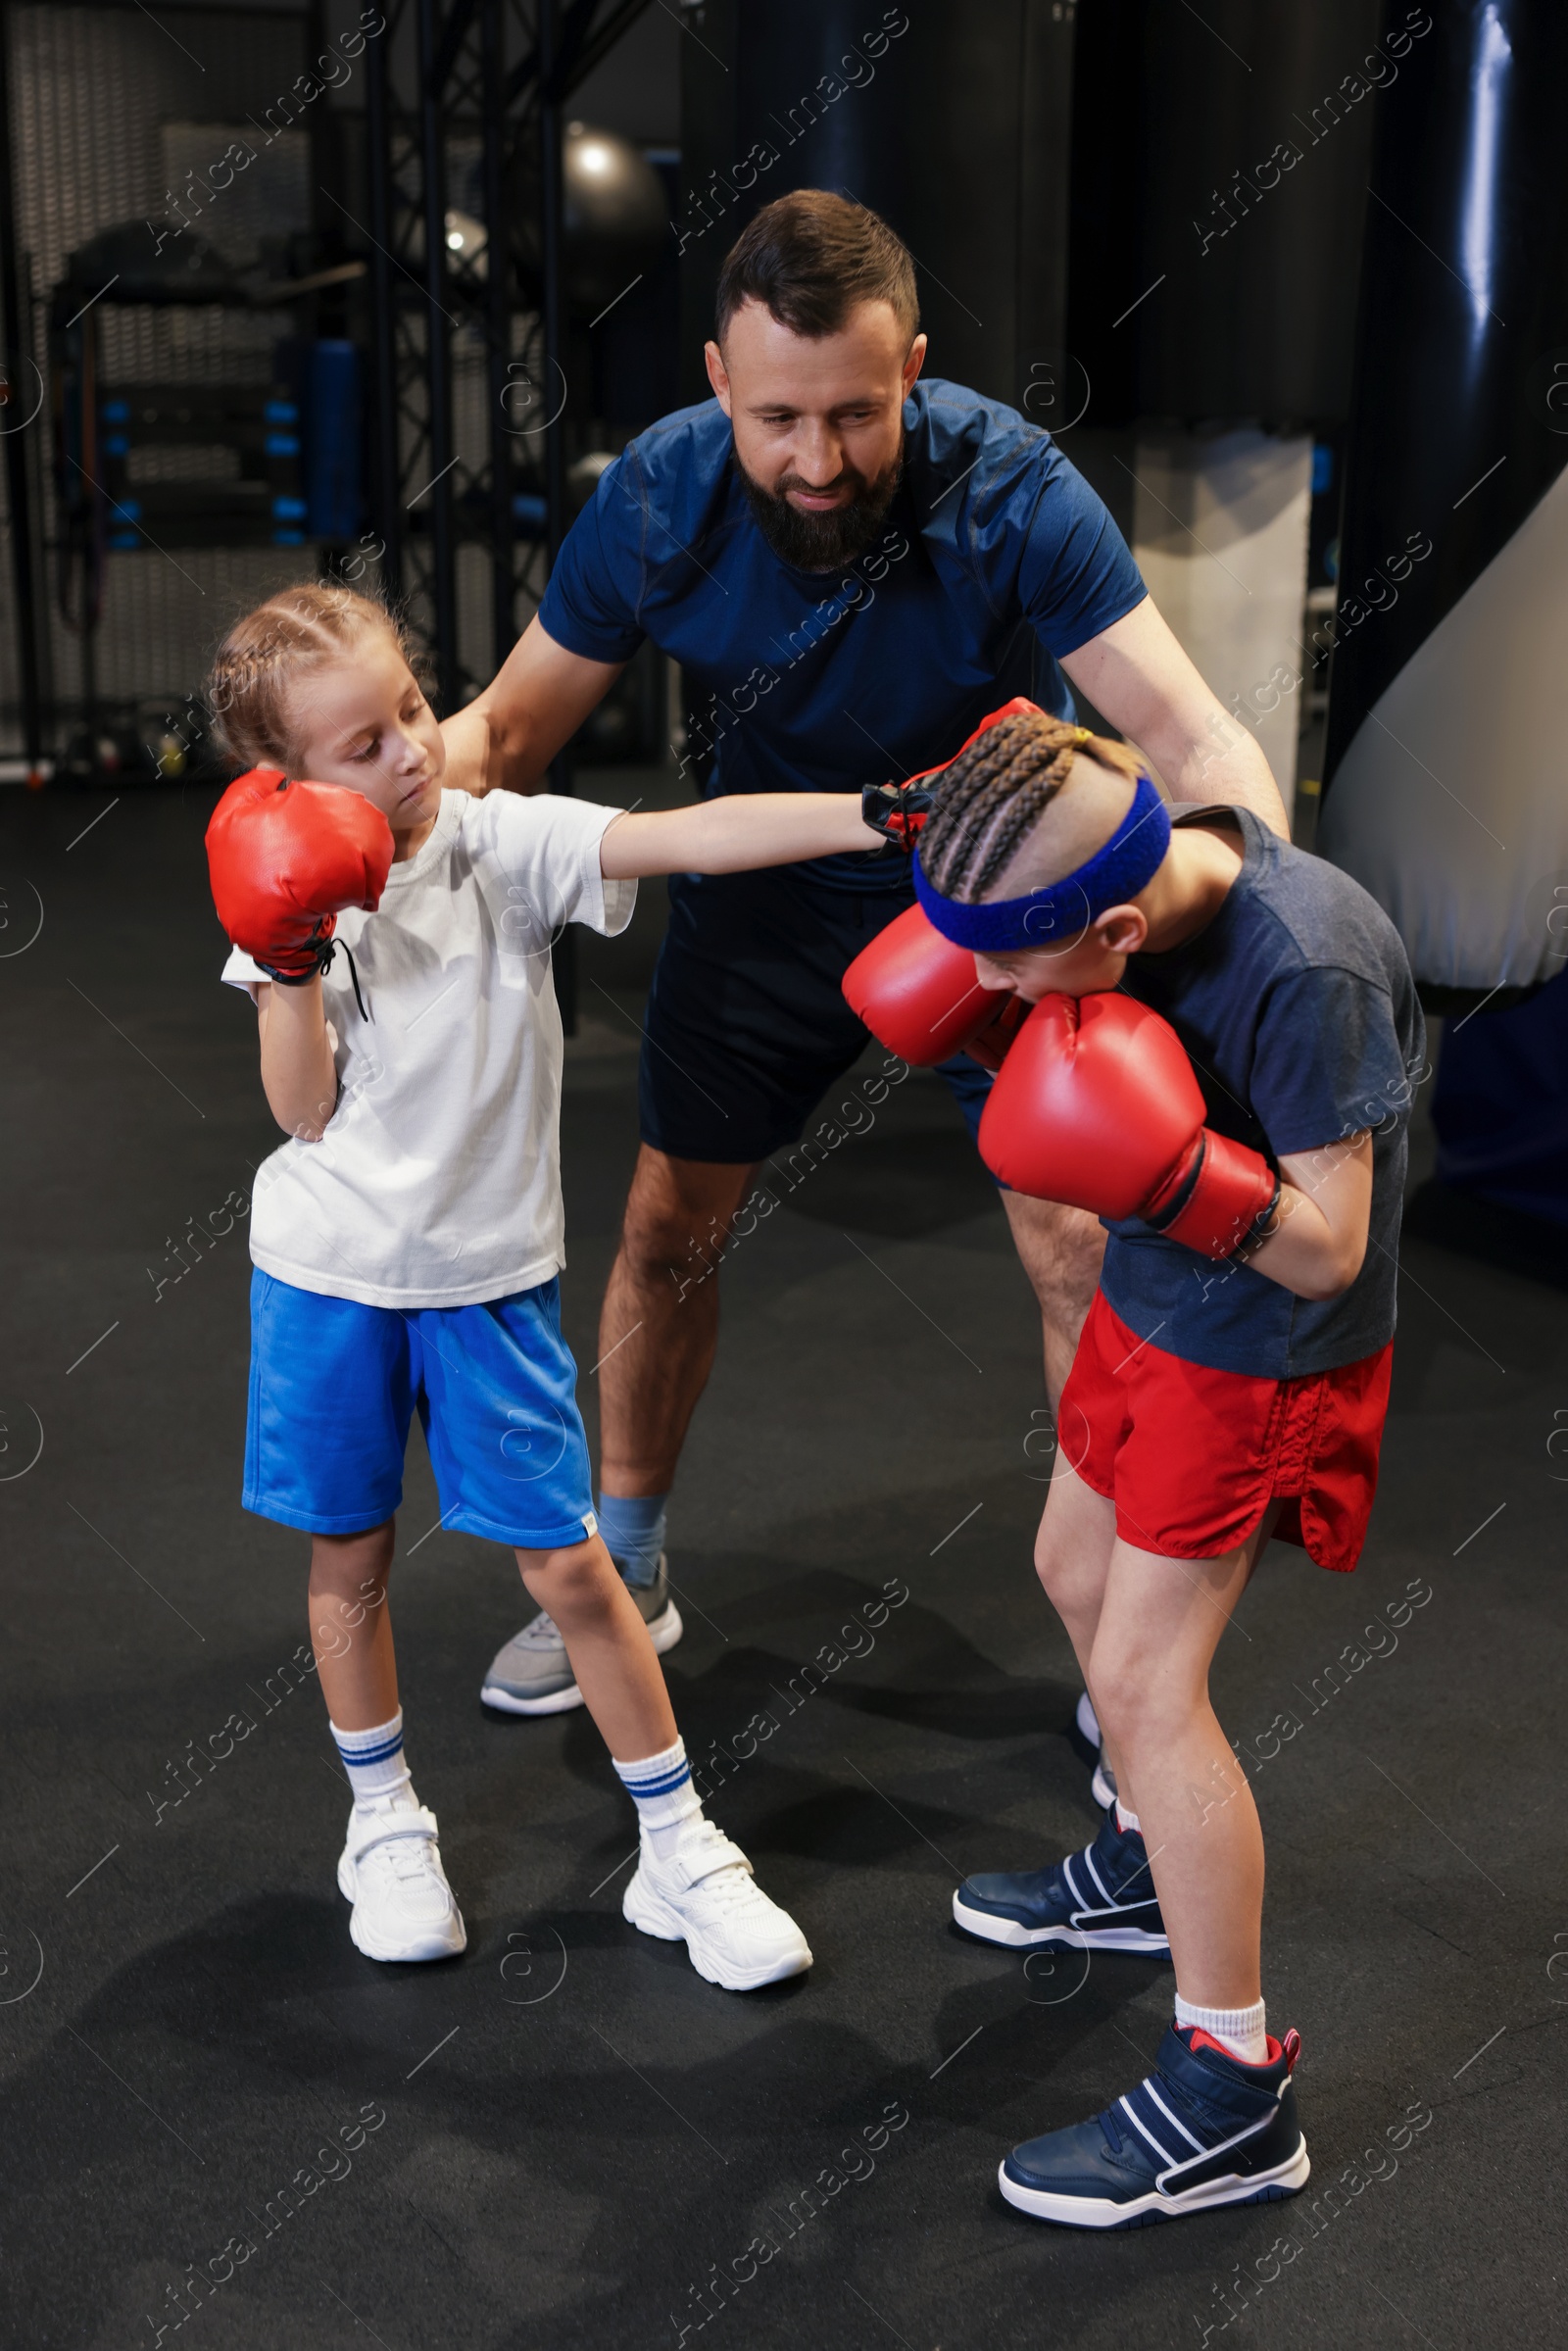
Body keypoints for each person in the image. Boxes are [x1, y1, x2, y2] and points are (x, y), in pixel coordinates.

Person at [444, 188, 1291, 1718]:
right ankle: (627, 1563)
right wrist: (351, 798)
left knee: (1080, 1246)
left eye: (854, 412)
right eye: (778, 417)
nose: (816, 462)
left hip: (997, 899)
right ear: (717, 378)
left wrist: (1250, 883)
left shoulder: (1012, 490)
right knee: (660, 1231)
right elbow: (503, 734)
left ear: (912, 367)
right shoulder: (658, 498)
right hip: (769, 883)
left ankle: (1126, 1640)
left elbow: (1187, 728)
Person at [203, 582, 891, 1985]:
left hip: (488, 1281)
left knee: (575, 1567)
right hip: (328, 1277)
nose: (407, 750)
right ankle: (384, 1822)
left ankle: (679, 1844)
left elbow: (686, 836)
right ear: (283, 780)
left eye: (409, 710)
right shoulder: (281, 887)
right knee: (351, 1555)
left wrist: (875, 810)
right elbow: (302, 1114)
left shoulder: (494, 845)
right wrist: (285, 963)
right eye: (363, 743)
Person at [866, 703, 1420, 2227]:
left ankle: (1236, 2090)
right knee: (1065, 1569)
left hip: (1256, 1352)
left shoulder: (1308, 969)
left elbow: (1328, 1250)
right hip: (1152, 1299)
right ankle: (1134, 1863)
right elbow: (1044, 759)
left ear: (1115, 923)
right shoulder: (1112, 848)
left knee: (1152, 1689)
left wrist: (1167, 1168)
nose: (980, 990)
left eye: (1010, 961)